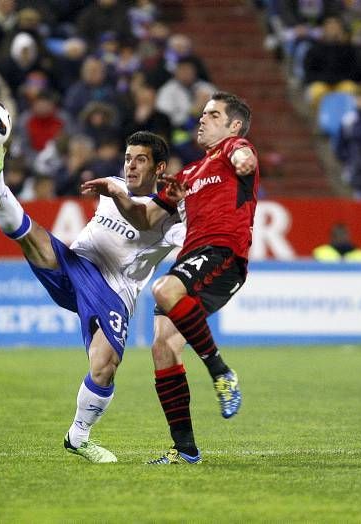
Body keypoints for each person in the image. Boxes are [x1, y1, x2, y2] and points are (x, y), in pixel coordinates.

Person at [0, 130, 183, 463]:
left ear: (160, 168)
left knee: (104, 367)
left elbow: (176, 231)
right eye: (128, 158)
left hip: (114, 291)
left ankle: (78, 436)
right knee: (30, 235)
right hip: (77, 264)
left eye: (141, 160)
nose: (131, 166)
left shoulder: (170, 216)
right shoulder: (112, 185)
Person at [82, 91, 259, 464]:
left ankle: (221, 372)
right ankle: (186, 450)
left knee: (164, 290)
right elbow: (146, 219)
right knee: (162, 348)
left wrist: (243, 157)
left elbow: (245, 156)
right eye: (203, 114)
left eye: (213, 115)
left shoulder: (233, 149)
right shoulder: (189, 175)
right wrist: (117, 194)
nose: (203, 119)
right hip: (194, 258)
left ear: (234, 125)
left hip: (223, 253)